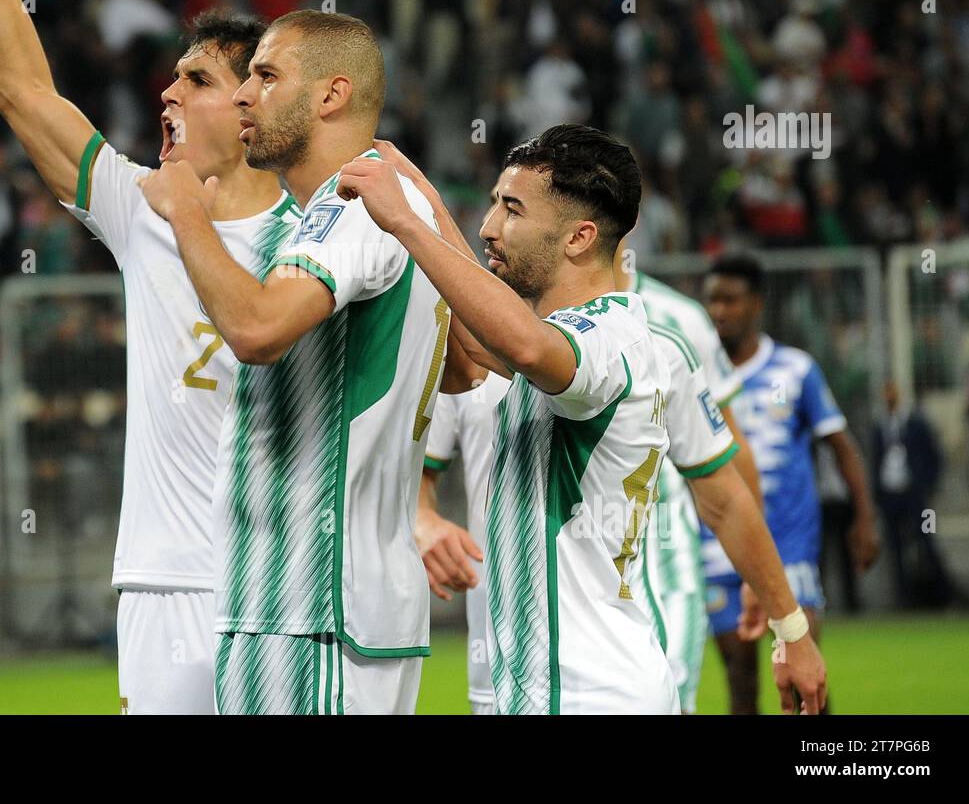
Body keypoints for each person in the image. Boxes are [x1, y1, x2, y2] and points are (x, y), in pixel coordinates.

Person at [0, 0, 300, 713]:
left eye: (197, 79)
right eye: (172, 76)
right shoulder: (141, 207)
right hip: (164, 586)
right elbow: (21, 90)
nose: (168, 93)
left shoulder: (325, 237)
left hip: (290, 587)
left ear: (253, 108)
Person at [340, 126, 826, 713]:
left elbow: (525, 349)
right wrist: (425, 197)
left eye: (512, 209)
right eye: (493, 202)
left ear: (579, 237)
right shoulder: (567, 333)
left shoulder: (610, 339)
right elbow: (482, 334)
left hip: (597, 694)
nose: (490, 226)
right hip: (537, 687)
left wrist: (408, 223)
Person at [137, 9, 446, 714]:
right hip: (342, 607)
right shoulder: (397, 208)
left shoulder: (354, 204)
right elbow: (466, 366)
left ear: (331, 96)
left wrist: (186, 211)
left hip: (307, 609)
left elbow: (255, 328)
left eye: (267, 76)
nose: (246, 95)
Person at [702, 253, 879, 713]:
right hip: (720, 545)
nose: (720, 311)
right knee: (740, 679)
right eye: (712, 300)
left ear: (757, 304)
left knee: (803, 678)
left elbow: (841, 447)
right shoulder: (696, 377)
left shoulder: (796, 370)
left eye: (731, 300)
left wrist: (864, 518)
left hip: (789, 545)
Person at [613, 249, 766, 713]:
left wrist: (757, 571)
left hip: (666, 557)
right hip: (566, 558)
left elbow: (729, 450)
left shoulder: (682, 320)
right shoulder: (529, 317)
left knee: (671, 702)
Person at [416, 373, 511, 715]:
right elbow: (418, 477)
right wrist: (422, 521)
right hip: (495, 636)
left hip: (608, 645)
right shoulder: (461, 350)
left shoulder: (617, 336)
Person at [871, 379, 956, 608]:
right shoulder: (881, 425)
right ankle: (904, 598)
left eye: (892, 392)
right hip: (891, 496)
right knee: (895, 546)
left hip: (917, 497)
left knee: (926, 537)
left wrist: (926, 486)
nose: (889, 397)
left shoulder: (916, 423)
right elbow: (877, 460)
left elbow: (934, 457)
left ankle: (944, 593)